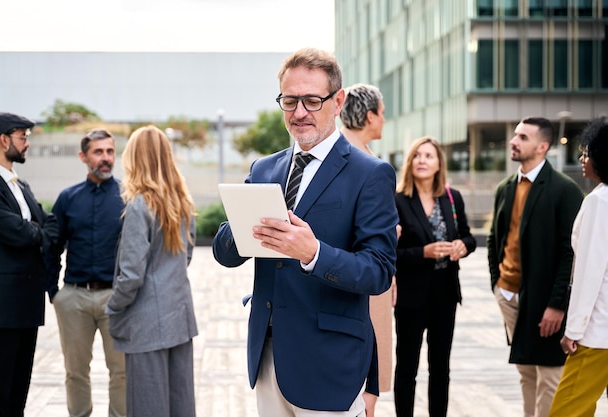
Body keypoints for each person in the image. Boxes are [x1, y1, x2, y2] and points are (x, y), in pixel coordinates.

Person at [212, 48, 398, 417]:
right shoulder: (264, 169)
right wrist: (244, 227)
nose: (299, 113)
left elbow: (378, 271)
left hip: (330, 364)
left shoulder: (370, 173)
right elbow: (224, 252)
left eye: (312, 101)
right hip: (268, 358)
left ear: (338, 100)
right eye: (290, 100)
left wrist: (314, 254)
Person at [486, 116, 584, 417]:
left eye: (523, 137)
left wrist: (557, 305)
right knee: (526, 371)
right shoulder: (506, 187)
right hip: (509, 296)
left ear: (543, 146)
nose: (514, 141)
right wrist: (497, 284)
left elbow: (572, 253)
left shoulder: (564, 190)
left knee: (551, 375)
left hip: (545, 302)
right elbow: (494, 239)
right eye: (515, 135)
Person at [105, 125, 198, 417]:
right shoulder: (183, 202)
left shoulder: (138, 205)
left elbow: (131, 275)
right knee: (180, 404)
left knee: (147, 407)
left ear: (135, 158)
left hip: (146, 323)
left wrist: (113, 306)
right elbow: (187, 256)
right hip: (179, 317)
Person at [0, 112, 59, 416]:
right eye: (22, 137)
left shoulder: (21, 185)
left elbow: (48, 222)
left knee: (18, 393)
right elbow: (19, 233)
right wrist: (39, 233)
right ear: (3, 140)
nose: (27, 143)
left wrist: (39, 233)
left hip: (26, 306)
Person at [393, 136, 476, 417]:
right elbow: (389, 253)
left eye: (429, 156)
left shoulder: (452, 198)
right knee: (407, 367)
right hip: (410, 296)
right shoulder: (397, 200)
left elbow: (468, 235)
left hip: (445, 294)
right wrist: (423, 253)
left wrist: (464, 246)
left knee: (441, 368)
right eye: (417, 155)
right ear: (409, 162)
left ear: (439, 163)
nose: (422, 161)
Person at [46, 129, 126, 417]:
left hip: (116, 299)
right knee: (75, 372)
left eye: (109, 151)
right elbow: (52, 246)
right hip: (74, 298)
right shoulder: (67, 198)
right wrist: (54, 292)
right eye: (98, 152)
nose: (105, 158)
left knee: (122, 372)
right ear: (83, 156)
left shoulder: (128, 197)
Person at [339, 83, 395, 416]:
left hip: (375, 274)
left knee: (372, 376)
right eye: (383, 113)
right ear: (370, 115)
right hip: (358, 275)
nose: (384, 120)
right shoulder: (350, 157)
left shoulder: (366, 156)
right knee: (364, 378)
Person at [550, 117, 608, 416]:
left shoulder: (599, 201)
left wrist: (572, 329)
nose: (582, 159)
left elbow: (589, 272)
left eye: (587, 153)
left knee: (567, 411)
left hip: (597, 333)